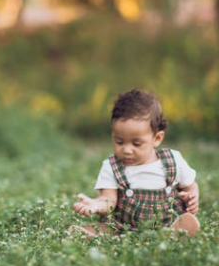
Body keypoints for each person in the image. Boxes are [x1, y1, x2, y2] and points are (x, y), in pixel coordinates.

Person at [70, 89, 200, 237]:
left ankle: (172, 234)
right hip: (123, 228)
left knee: (184, 222)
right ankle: (91, 236)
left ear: (157, 138)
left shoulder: (173, 161)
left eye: (136, 144)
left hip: (166, 224)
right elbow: (109, 199)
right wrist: (98, 205)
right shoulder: (112, 167)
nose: (126, 150)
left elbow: (190, 186)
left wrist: (192, 197)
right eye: (119, 141)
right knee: (104, 229)